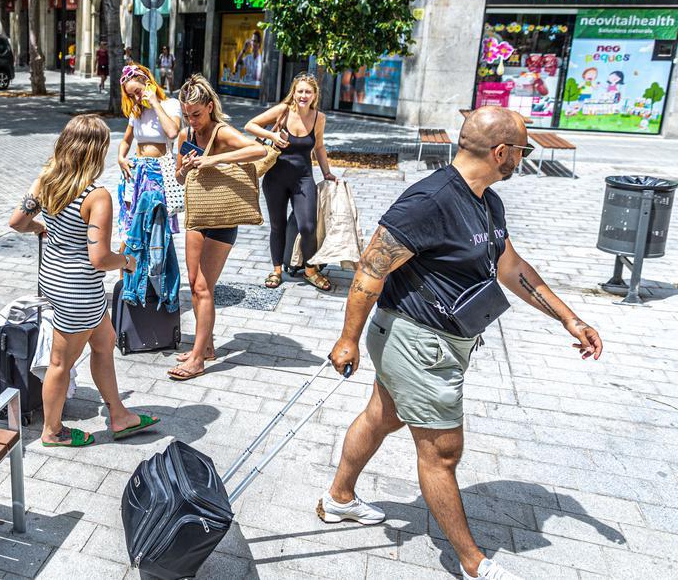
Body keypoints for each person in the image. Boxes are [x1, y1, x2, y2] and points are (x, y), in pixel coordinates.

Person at [321, 106, 603, 580]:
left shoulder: (487, 201)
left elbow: (510, 267)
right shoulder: (429, 200)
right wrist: (347, 339)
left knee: (382, 415)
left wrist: (568, 319)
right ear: (501, 152)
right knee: (442, 453)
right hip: (417, 342)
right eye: (522, 149)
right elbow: (371, 269)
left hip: (442, 341)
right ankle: (474, 564)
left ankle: (338, 499)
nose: (523, 157)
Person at [8, 114, 160, 447]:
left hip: (54, 280)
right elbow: (100, 259)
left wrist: (41, 227)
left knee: (104, 343)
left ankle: (119, 415)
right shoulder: (96, 196)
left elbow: (17, 221)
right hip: (80, 290)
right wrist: (128, 261)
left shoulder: (46, 179)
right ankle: (53, 431)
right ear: (96, 152)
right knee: (61, 363)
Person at [168, 75, 267, 381]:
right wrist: (184, 169)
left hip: (223, 218)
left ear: (209, 107)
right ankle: (206, 346)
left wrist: (213, 160)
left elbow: (258, 151)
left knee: (202, 288)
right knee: (196, 283)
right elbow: (180, 178)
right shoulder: (187, 133)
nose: (192, 121)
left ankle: (197, 359)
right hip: (198, 215)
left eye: (196, 114)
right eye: (187, 115)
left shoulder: (222, 131)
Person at [244, 73, 338, 291]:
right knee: (278, 226)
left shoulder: (318, 118)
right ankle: (277, 270)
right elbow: (250, 125)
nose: (304, 95)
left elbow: (320, 148)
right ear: (293, 92)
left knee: (308, 226)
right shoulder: (283, 111)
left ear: (315, 95)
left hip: (303, 178)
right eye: (300, 91)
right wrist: (274, 137)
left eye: (308, 92)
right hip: (275, 178)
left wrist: (327, 173)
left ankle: (310, 270)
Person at [116, 64, 182, 244]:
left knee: (155, 226)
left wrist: (154, 103)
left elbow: (172, 133)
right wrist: (121, 158)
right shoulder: (136, 111)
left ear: (147, 82)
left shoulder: (171, 105)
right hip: (135, 170)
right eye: (131, 95)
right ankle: (127, 270)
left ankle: (152, 270)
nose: (136, 98)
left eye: (137, 92)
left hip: (158, 173)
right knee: (130, 226)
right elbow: (126, 141)